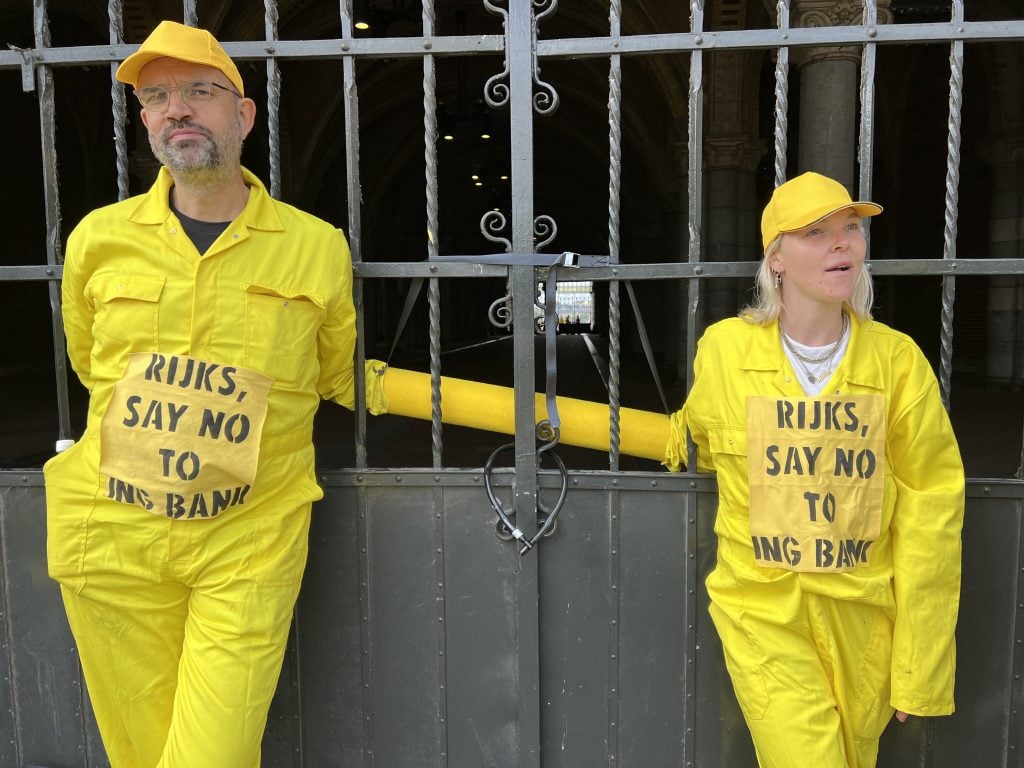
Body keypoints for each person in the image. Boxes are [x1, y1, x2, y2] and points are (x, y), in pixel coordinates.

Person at [43, 20, 356, 767]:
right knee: (140, 754)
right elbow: (93, 365)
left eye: (199, 91)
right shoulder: (97, 239)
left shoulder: (316, 246)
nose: (177, 109)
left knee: (212, 754)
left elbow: (329, 367)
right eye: (157, 98)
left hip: (246, 544)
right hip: (114, 539)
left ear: (242, 114)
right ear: (145, 120)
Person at [664, 171, 965, 767]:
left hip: (862, 613)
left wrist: (917, 666)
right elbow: (697, 424)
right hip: (762, 608)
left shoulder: (897, 363)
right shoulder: (725, 350)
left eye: (851, 228)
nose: (843, 244)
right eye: (816, 232)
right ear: (775, 257)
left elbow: (933, 510)